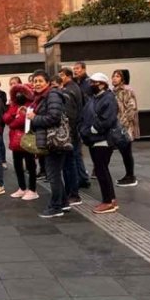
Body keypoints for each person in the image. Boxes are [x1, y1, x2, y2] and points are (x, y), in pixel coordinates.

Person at [27, 70, 69, 218]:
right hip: (49, 140)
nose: (37, 84)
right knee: (55, 173)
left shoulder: (52, 95)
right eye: (35, 81)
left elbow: (54, 117)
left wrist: (34, 117)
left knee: (53, 175)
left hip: (54, 141)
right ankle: (63, 202)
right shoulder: (41, 97)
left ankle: (56, 206)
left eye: (40, 81)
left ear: (48, 83)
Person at [80, 73, 120, 214]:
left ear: (102, 84)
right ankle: (111, 199)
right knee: (102, 170)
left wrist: (92, 130)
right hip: (95, 140)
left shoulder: (108, 99)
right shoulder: (96, 98)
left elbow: (107, 120)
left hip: (102, 140)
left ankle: (108, 201)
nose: (91, 85)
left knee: (101, 171)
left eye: (94, 83)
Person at [3, 83, 39, 200]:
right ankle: (22, 187)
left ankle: (33, 189)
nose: (19, 96)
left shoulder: (30, 105)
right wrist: (15, 115)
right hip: (15, 141)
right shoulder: (14, 105)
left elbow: (19, 122)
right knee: (17, 164)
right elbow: (6, 118)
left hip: (27, 139)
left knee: (30, 165)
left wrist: (15, 119)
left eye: (21, 93)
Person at [57, 67, 85, 205]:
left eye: (61, 75)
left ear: (68, 76)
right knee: (71, 161)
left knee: (70, 163)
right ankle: (72, 191)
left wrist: (68, 132)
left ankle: (73, 193)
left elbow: (69, 115)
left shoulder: (68, 91)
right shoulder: (74, 88)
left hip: (71, 132)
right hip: (74, 131)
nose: (59, 77)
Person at [112, 69, 140, 187]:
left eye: (117, 76)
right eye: (113, 76)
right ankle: (129, 175)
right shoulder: (114, 91)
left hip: (125, 126)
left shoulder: (127, 91)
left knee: (126, 151)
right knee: (124, 151)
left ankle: (131, 176)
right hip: (117, 125)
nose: (114, 78)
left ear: (122, 79)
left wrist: (122, 123)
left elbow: (131, 108)